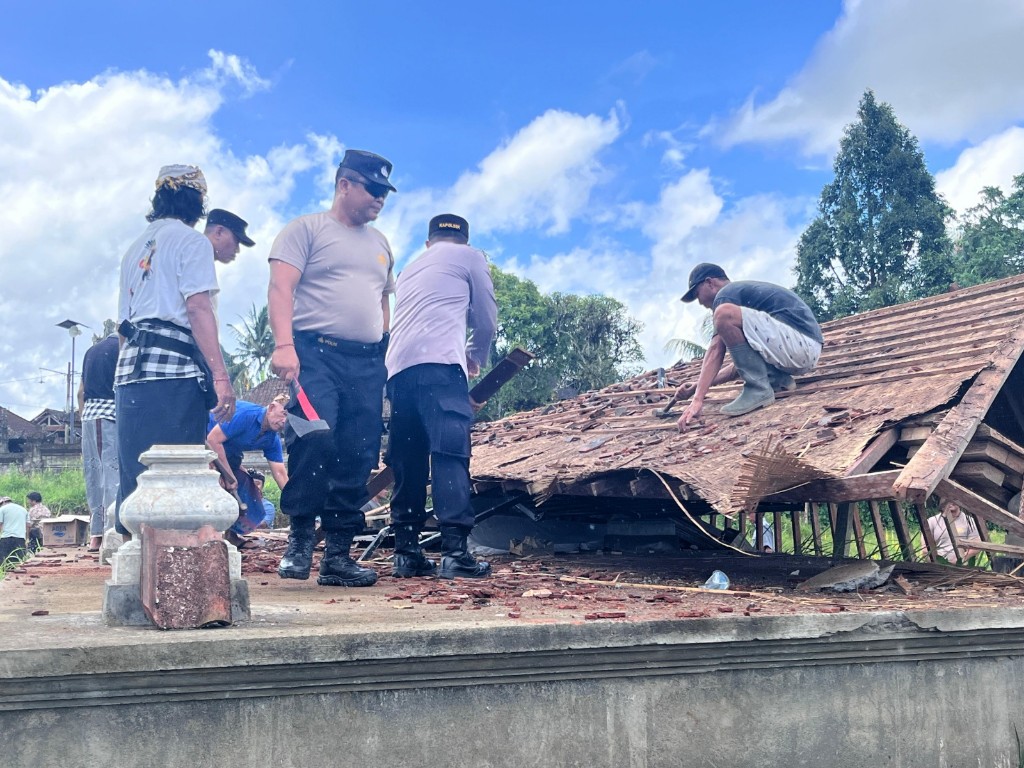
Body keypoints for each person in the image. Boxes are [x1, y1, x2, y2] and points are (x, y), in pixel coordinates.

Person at [268, 149, 397, 587]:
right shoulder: (304, 230)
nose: (380, 199)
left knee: (359, 451)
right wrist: (284, 345)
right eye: (373, 189)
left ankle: (338, 555)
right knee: (315, 435)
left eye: (385, 193)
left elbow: (382, 300)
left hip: (366, 362)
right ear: (345, 184)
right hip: (314, 353)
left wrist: (386, 346)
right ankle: (301, 536)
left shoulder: (380, 244)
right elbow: (280, 287)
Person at [114, 164, 237, 539]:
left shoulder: (134, 248)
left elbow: (122, 327)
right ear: (197, 203)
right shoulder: (191, 241)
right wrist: (220, 375)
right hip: (173, 372)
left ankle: (134, 560)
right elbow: (198, 308)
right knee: (177, 477)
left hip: (131, 374)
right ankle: (175, 565)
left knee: (137, 475)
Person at [384, 214, 497, 579]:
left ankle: (406, 552)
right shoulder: (471, 257)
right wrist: (475, 358)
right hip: (441, 368)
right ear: (463, 240)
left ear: (429, 242)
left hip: (398, 372)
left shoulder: (410, 270)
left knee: (408, 458)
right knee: (449, 453)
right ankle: (455, 553)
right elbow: (486, 319)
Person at [677, 263, 823, 431]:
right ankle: (776, 379)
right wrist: (696, 386)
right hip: (801, 350)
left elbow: (716, 350)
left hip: (801, 343)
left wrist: (697, 400)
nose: (700, 302)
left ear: (710, 283)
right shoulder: (747, 307)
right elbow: (744, 366)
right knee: (749, 358)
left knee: (724, 314)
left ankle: (759, 389)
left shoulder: (726, 295)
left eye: (697, 294)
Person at [206, 398, 288, 547]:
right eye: (282, 414)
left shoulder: (271, 439)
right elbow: (212, 439)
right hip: (204, 441)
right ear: (271, 408)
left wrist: (294, 499)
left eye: (288, 418)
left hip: (229, 453)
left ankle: (232, 535)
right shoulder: (246, 415)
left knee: (245, 484)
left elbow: (280, 473)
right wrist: (228, 476)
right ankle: (208, 536)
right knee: (218, 484)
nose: (284, 421)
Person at [77, 332, 120, 551]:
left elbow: (80, 393)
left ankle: (97, 534)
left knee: (93, 475)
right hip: (110, 414)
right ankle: (107, 532)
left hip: (89, 417)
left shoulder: (90, 352)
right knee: (111, 473)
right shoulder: (122, 348)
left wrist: (84, 418)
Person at [922, 499, 981, 563]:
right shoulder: (931, 521)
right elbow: (925, 549)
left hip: (962, 566)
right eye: (947, 498)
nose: (951, 502)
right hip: (938, 566)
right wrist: (940, 563)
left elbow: (976, 546)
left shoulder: (970, 522)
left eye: (954, 498)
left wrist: (960, 560)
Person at [0, 496, 28, 564]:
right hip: (20, 538)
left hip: (6, 538)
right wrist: (27, 538)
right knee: (18, 560)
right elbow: (28, 525)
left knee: (4, 561)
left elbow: (0, 524)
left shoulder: (2, 509)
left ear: (3, 502)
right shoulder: (23, 509)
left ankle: (5, 574)